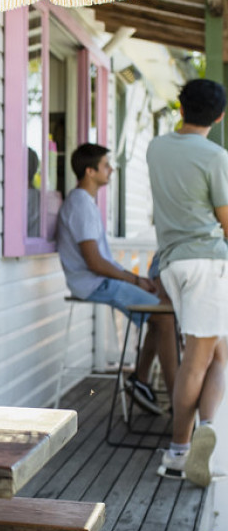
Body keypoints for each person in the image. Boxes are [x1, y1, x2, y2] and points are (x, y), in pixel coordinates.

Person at [56, 143, 178, 414]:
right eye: (105, 165)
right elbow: (95, 263)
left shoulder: (85, 202)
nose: (111, 169)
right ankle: (179, 401)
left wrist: (135, 279)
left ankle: (141, 379)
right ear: (90, 171)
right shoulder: (80, 205)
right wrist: (135, 281)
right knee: (166, 316)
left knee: (161, 309)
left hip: (99, 280)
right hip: (92, 283)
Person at [147, 78, 228, 486]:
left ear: (180, 108)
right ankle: (179, 451)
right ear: (219, 115)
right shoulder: (216, 157)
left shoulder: (156, 148)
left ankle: (208, 427)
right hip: (207, 263)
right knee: (197, 358)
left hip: (172, 263)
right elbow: (225, 221)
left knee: (218, 353)